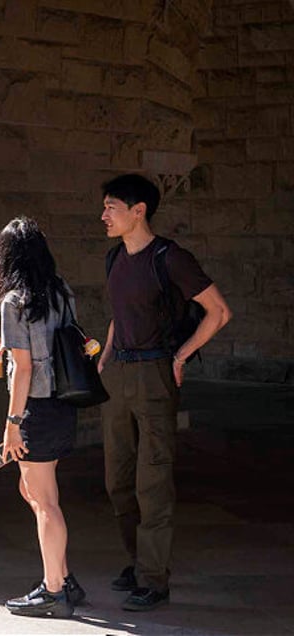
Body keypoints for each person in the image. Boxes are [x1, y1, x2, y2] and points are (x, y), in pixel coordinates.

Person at [97, 174, 232, 611]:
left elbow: (219, 311)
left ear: (139, 211)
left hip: (156, 372)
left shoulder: (170, 258)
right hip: (118, 375)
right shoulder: (115, 258)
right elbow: (120, 314)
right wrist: (106, 356)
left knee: (151, 481)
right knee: (117, 479)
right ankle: (139, 564)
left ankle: (154, 580)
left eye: (112, 206)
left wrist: (180, 357)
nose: (103, 215)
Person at [0, 217, 85, 619]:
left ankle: (54, 590)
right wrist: (6, 347)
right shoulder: (61, 292)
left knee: (45, 502)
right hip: (62, 402)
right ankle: (63, 575)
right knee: (35, 493)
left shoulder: (14, 302)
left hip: (35, 409)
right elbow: (53, 345)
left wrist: (13, 423)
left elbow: (24, 370)